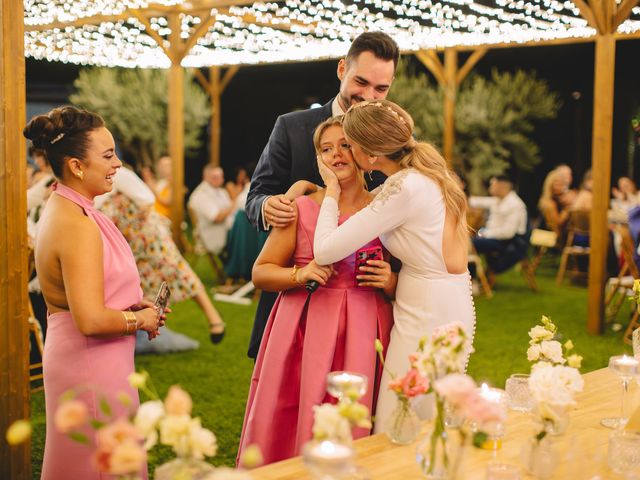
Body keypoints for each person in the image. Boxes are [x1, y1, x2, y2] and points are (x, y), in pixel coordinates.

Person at [237, 117, 395, 464]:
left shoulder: (386, 208)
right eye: (326, 149)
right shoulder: (302, 208)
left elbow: (409, 275)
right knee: (301, 407)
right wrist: (300, 274)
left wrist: (390, 280)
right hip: (306, 329)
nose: (336, 155)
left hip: (365, 328)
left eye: (345, 145)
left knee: (356, 417)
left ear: (365, 152)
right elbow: (261, 273)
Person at [312, 100, 476, 432]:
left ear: (369, 156)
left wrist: (330, 190)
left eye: (350, 144)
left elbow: (326, 250)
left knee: (402, 415)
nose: (346, 152)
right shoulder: (416, 178)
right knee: (425, 411)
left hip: (427, 313)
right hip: (439, 301)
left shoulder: (403, 188)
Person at [24, 106, 162, 479]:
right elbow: (89, 319)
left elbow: (87, 294)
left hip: (95, 359)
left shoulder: (74, 207)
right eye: (107, 155)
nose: (118, 163)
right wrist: (141, 319)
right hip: (89, 364)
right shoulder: (76, 224)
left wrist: (130, 304)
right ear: (76, 166)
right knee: (99, 464)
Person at [244, 31, 400, 360]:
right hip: (296, 292)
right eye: (361, 82)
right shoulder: (291, 127)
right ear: (342, 69)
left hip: (364, 303)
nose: (369, 96)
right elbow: (256, 195)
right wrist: (268, 205)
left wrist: (392, 277)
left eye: (381, 88)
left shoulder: (392, 139)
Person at [97, 165, 226, 345]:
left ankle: (215, 319)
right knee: (141, 285)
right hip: (128, 243)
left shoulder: (117, 173)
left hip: (150, 237)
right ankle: (149, 330)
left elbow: (147, 197)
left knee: (178, 271)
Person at [469, 175, 529, 274]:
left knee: (469, 244)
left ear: (502, 186)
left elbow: (508, 233)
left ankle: (473, 277)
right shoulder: (498, 200)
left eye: (492, 185)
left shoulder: (515, 205)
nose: (490, 188)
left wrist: (484, 234)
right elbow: (477, 201)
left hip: (510, 243)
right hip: (497, 238)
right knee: (467, 241)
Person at [188, 165, 235, 255]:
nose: (219, 180)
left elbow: (231, 210)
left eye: (221, 176)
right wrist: (234, 201)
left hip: (225, 229)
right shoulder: (201, 195)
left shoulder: (220, 191)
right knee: (244, 228)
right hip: (212, 234)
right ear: (205, 177)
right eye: (215, 177)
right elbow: (217, 218)